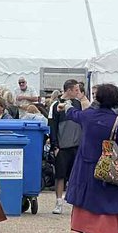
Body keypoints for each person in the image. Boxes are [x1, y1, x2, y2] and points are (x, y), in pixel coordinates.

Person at [62, 83, 118, 233]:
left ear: (98, 98)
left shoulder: (88, 116)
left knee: (79, 210)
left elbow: (72, 114)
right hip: (106, 170)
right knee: (103, 211)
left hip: (83, 168)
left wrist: (69, 102)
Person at [50, 78, 84, 216]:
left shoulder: (77, 103)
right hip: (62, 146)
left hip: (76, 145)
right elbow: (52, 125)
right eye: (76, 90)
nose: (78, 92)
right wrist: (55, 145)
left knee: (75, 176)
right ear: (69, 90)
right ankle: (59, 202)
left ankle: (75, 203)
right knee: (60, 175)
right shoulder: (56, 105)